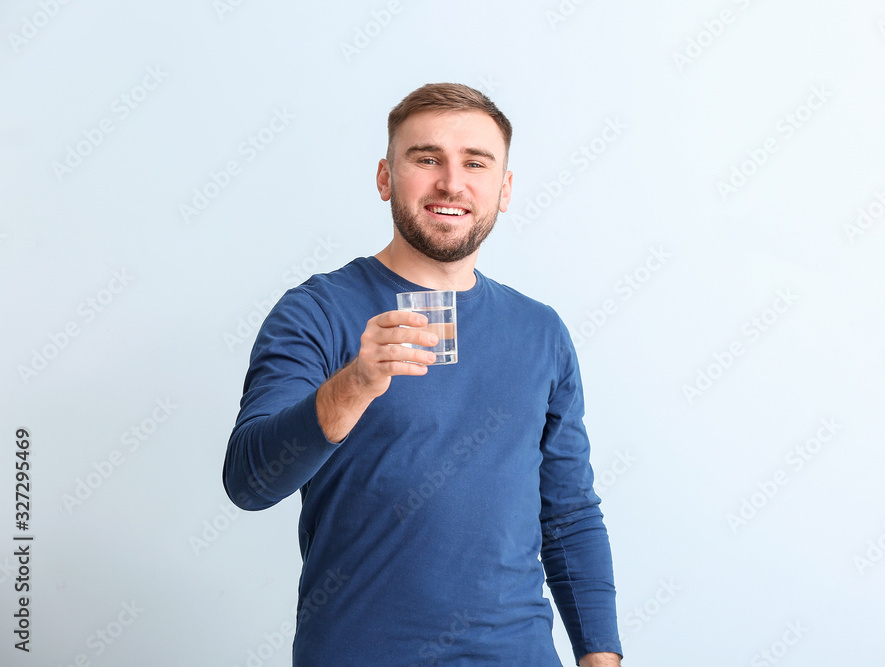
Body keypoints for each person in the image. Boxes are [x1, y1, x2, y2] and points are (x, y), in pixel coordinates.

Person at [224, 83, 622, 666]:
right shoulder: (315, 312)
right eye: (427, 158)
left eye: (475, 163)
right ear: (386, 178)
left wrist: (600, 655)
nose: (452, 183)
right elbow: (249, 482)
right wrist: (355, 384)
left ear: (504, 189)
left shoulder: (541, 332)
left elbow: (568, 511)